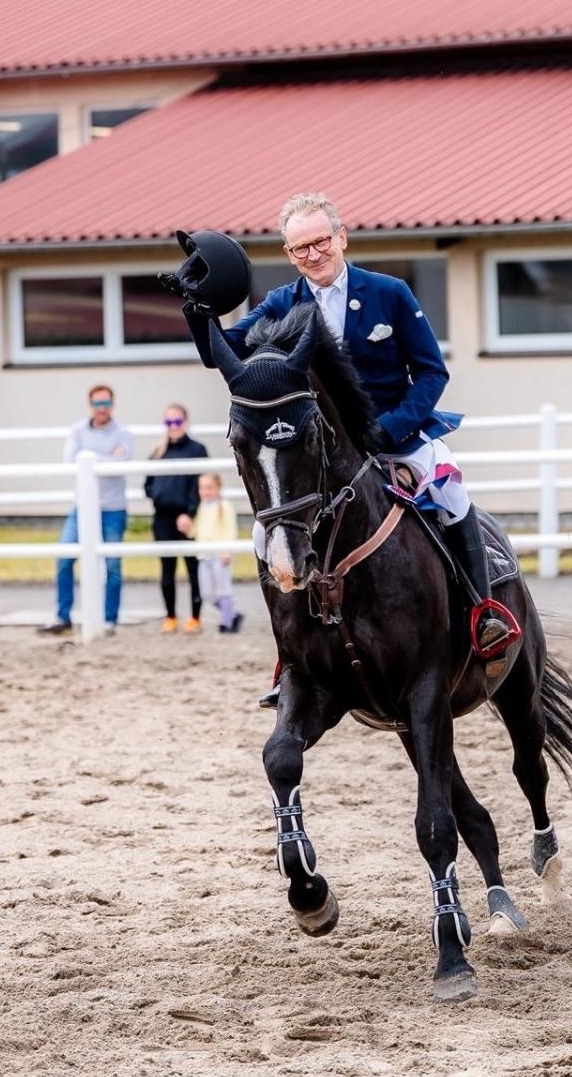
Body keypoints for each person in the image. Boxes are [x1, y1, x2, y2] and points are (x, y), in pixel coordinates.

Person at [176, 191, 516, 703]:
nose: (312, 255)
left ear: (340, 238)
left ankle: (483, 613)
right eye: (298, 249)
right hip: (323, 452)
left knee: (452, 499)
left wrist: (391, 428)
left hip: (394, 436)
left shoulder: (389, 293)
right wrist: (196, 308)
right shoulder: (281, 304)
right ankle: (290, 655)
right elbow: (216, 354)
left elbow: (431, 372)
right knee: (266, 538)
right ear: (289, 255)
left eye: (319, 242)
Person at [37, 384, 134, 636]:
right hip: (81, 508)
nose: (101, 408)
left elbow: (121, 464)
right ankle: (63, 616)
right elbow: (71, 461)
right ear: (90, 405)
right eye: (97, 403)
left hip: (113, 508)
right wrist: (105, 458)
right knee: (64, 558)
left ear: (112, 405)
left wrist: (90, 457)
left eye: (105, 403)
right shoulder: (77, 430)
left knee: (112, 566)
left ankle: (109, 620)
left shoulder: (123, 433)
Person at [144, 404, 209, 634]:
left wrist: (189, 513)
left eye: (177, 422)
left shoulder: (197, 449)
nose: (173, 427)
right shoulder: (158, 451)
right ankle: (170, 616)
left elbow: (199, 484)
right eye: (169, 422)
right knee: (167, 569)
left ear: (186, 421)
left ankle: (195, 617)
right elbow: (148, 484)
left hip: (187, 517)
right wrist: (159, 497)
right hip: (162, 517)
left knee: (193, 568)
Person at [178, 472, 244, 634]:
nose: (205, 492)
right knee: (206, 594)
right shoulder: (200, 507)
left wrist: (227, 551)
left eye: (209, 488)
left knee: (223, 590)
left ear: (218, 488)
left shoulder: (225, 507)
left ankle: (226, 622)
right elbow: (196, 531)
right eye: (202, 488)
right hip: (204, 556)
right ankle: (232, 615)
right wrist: (187, 528)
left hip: (220, 556)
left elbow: (230, 530)